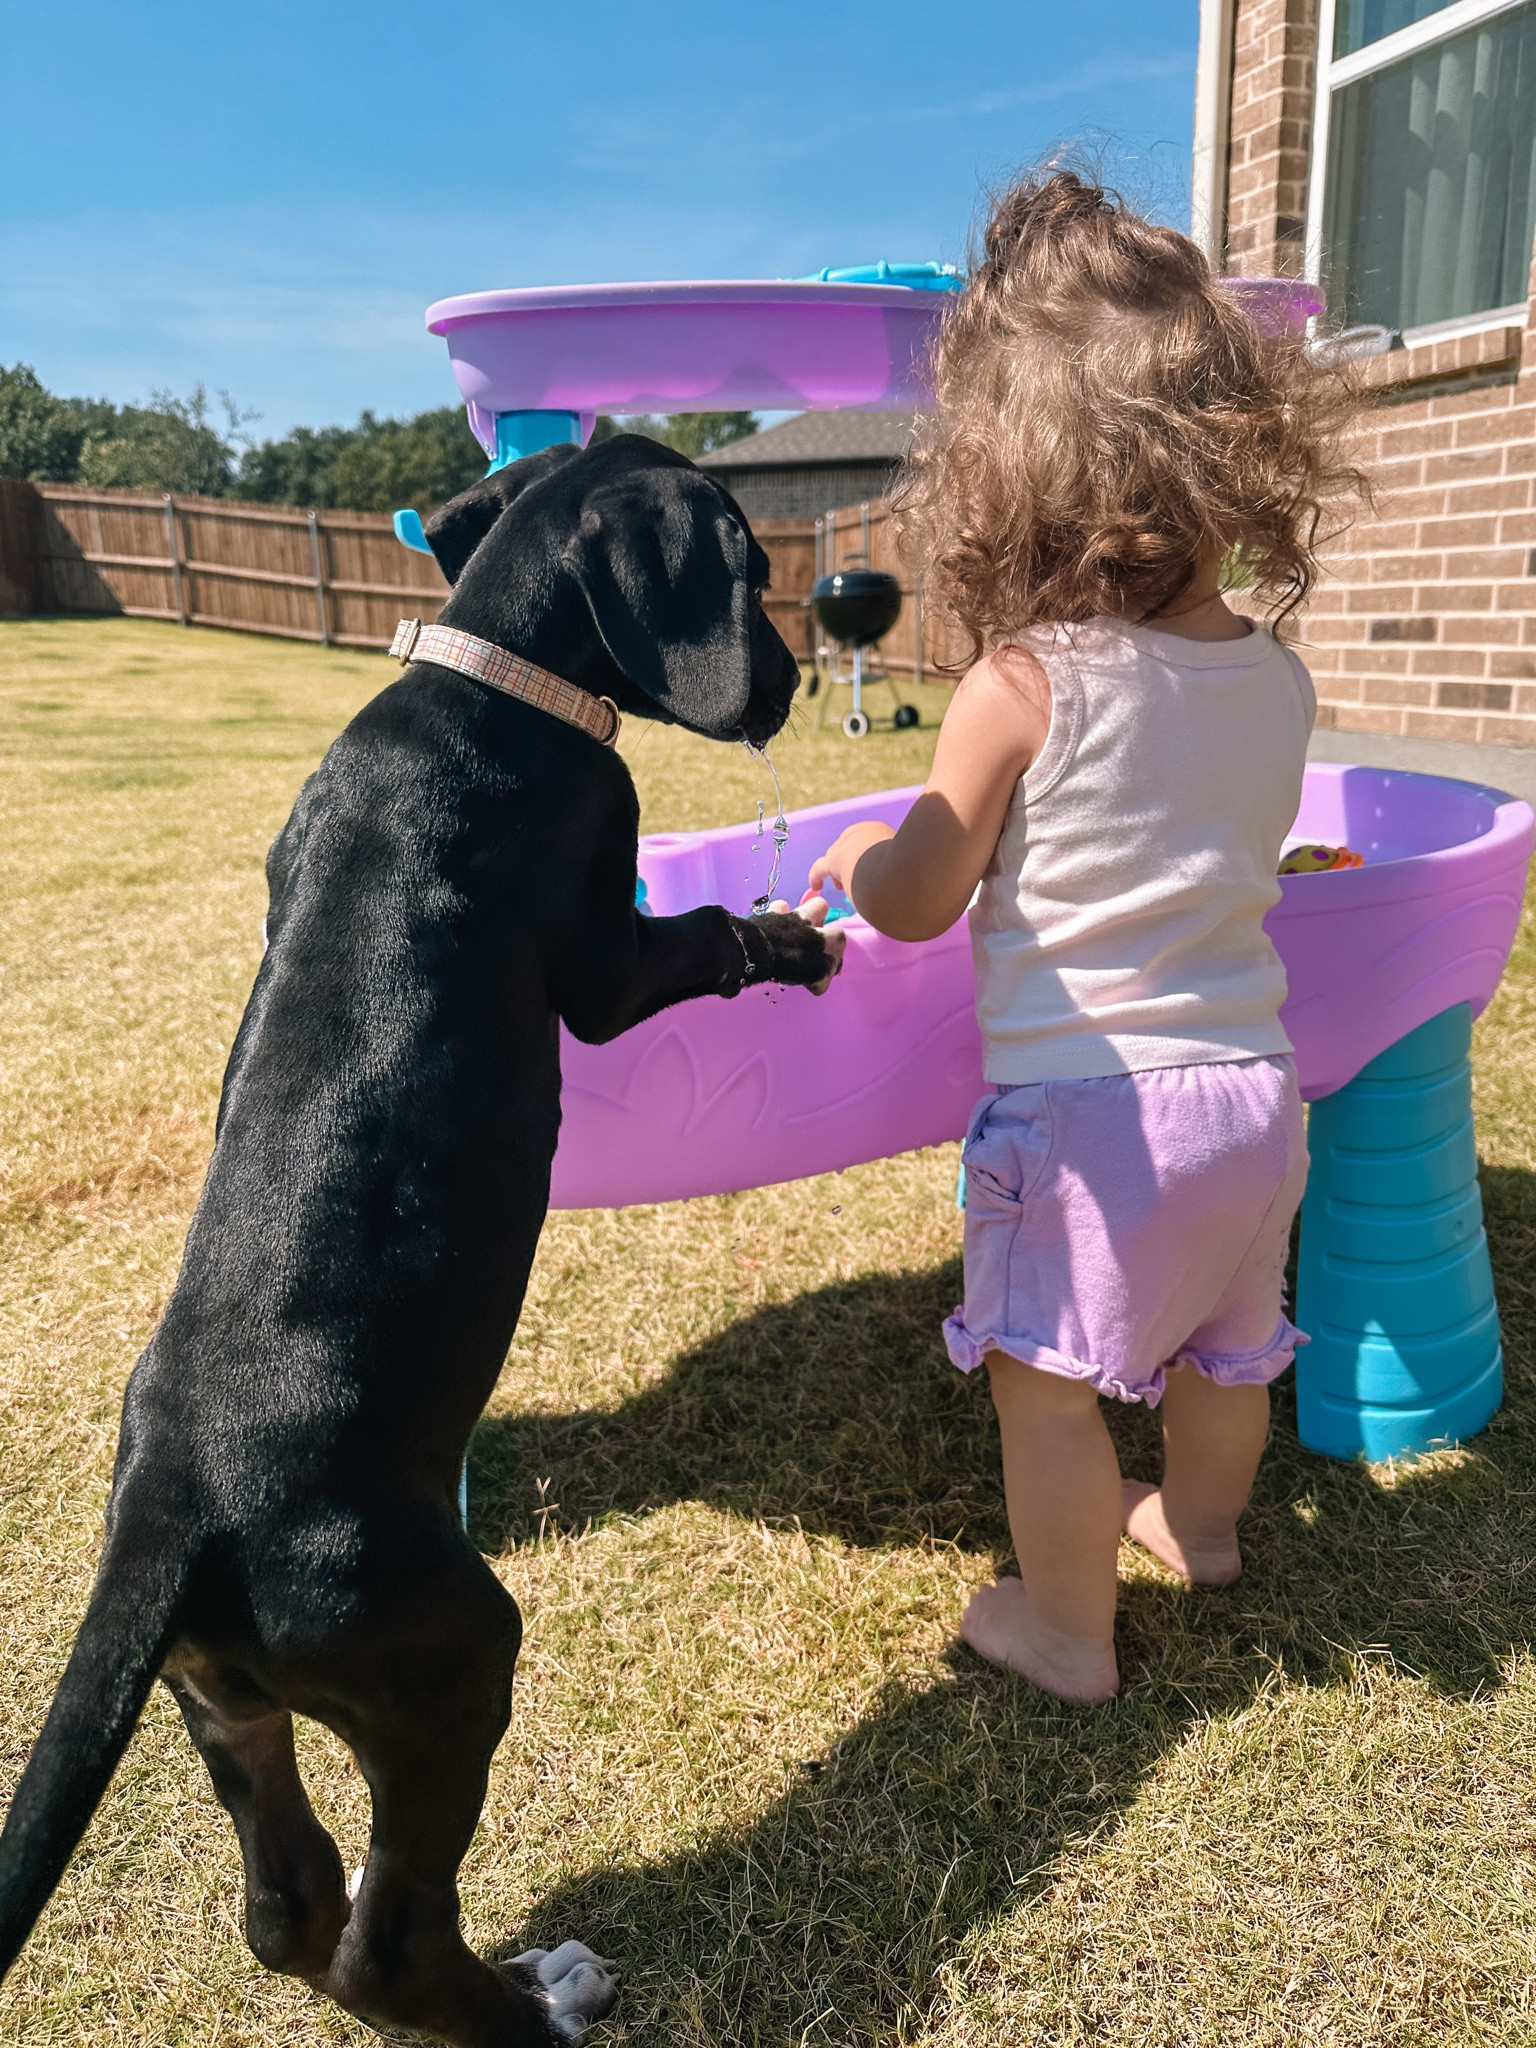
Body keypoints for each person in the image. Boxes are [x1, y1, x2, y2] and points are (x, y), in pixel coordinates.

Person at [808, 169, 1363, 1703]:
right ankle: (1202, 1533)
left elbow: (920, 896)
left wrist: (859, 850)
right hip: (1256, 1096)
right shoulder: (1277, 678)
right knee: (1228, 1357)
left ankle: (1065, 1634)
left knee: (1043, 1392)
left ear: (1006, 477)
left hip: (1090, 1114)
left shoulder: (1021, 681)